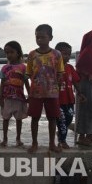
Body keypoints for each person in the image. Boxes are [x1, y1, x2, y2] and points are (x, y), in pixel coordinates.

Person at [26, 24, 64, 153]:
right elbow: (29, 72)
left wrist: (56, 85)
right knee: (35, 118)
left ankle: (52, 143)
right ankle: (34, 143)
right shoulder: (32, 55)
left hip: (52, 93)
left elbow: (60, 72)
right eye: (37, 37)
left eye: (43, 37)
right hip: (35, 92)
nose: (40, 40)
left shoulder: (57, 54)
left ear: (50, 38)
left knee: (52, 118)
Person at [54, 42, 86, 149]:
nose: (67, 56)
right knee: (61, 120)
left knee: (69, 118)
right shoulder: (53, 68)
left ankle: (61, 133)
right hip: (57, 100)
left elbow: (76, 82)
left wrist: (80, 93)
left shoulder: (70, 68)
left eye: (68, 54)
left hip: (69, 100)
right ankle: (62, 140)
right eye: (64, 54)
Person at [0, 41, 29, 147]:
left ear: (18, 53)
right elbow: (2, 83)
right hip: (7, 98)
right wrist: (1, 97)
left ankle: (18, 138)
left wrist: (29, 95)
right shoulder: (4, 68)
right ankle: (5, 138)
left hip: (19, 98)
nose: (9, 55)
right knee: (5, 118)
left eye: (11, 52)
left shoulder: (23, 67)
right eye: (7, 53)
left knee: (19, 119)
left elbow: (26, 82)